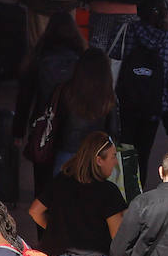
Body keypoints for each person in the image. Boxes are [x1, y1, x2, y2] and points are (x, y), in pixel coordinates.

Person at [116, 0, 168, 183]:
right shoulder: (167, 41)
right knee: (142, 155)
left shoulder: (128, 32)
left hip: (124, 106)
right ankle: (134, 194)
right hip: (152, 109)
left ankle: (117, 190)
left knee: (122, 151)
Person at [13, 10, 87, 192]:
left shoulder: (38, 58)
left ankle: (42, 217)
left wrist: (18, 131)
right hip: (74, 128)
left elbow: (25, 97)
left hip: (42, 126)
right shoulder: (83, 59)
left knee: (42, 183)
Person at [45, 46, 118, 175]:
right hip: (94, 155)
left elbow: (56, 121)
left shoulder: (66, 90)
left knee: (61, 191)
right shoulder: (108, 96)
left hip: (66, 149)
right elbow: (113, 130)